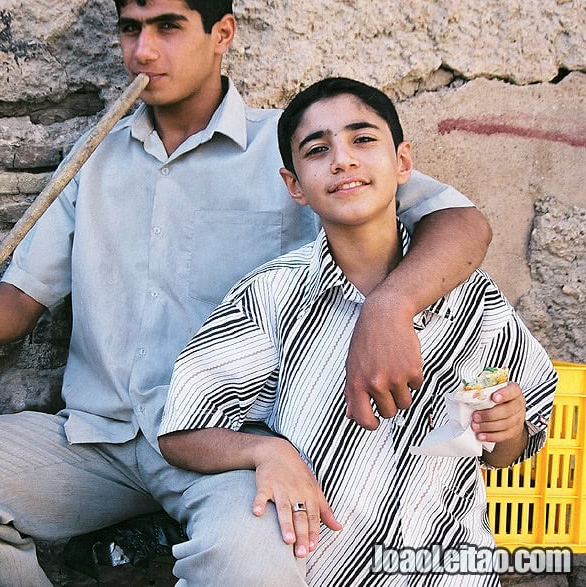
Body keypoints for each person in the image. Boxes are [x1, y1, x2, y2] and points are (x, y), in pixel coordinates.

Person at [0, 2, 493, 585]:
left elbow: (461, 224)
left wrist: (389, 307)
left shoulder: (297, 149)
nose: (143, 51)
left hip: (233, 446)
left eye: (168, 27)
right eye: (130, 28)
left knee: (249, 556)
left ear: (221, 34)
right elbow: (17, 303)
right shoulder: (93, 156)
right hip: (96, 439)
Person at [158, 77, 558, 585]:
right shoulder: (272, 296)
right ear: (295, 186)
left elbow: (509, 450)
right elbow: (181, 434)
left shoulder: (475, 299)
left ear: (403, 164)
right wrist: (264, 450)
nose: (342, 160)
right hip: (317, 570)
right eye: (317, 149)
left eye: (362, 139)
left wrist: (506, 426)